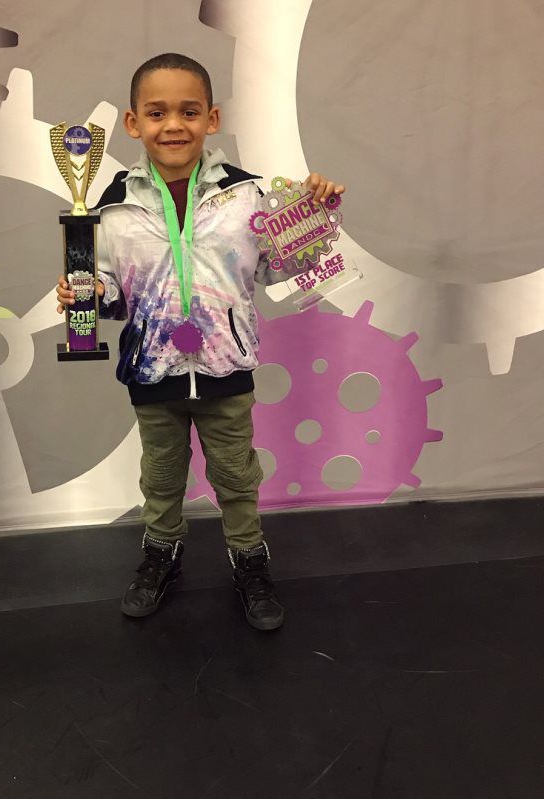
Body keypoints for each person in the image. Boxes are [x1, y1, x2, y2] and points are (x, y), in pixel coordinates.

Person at [56, 53, 344, 631]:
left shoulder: (248, 197)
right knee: (160, 476)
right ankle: (162, 551)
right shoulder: (108, 206)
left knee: (236, 475)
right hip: (152, 371)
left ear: (211, 119)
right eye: (157, 112)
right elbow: (115, 294)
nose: (174, 125)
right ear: (133, 123)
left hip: (226, 368)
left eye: (189, 111)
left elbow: (280, 266)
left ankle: (249, 558)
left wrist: (315, 220)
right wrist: (83, 296)